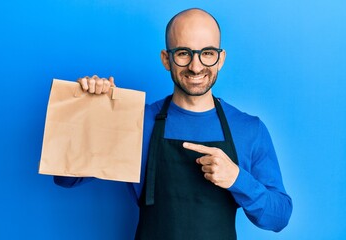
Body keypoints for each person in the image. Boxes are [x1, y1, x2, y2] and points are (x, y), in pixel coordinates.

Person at [54, 8, 292, 239]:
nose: (196, 66)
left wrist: (238, 179)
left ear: (221, 59)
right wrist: (89, 110)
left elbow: (278, 218)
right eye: (183, 53)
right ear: (166, 59)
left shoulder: (249, 129)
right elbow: (65, 178)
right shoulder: (136, 122)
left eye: (207, 53)